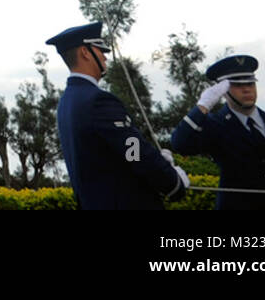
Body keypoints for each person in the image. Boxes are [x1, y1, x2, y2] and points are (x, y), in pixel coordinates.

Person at [46, 21, 188, 209]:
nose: (105, 58)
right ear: (85, 53)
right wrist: (172, 181)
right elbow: (133, 151)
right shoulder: (98, 100)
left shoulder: (66, 101)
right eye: (100, 51)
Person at [170, 54, 265, 210]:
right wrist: (203, 106)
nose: (246, 89)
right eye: (237, 85)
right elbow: (180, 143)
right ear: (223, 90)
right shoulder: (215, 125)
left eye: (250, 83)